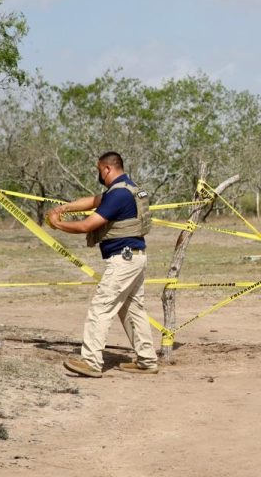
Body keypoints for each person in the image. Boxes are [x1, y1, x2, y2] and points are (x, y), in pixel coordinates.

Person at [46, 151, 159, 377]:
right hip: (135, 257)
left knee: (101, 307)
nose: (99, 174)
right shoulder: (128, 188)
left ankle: (91, 362)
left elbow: (87, 226)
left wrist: (57, 224)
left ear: (106, 168)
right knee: (133, 310)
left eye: (99, 170)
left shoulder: (118, 195)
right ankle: (147, 360)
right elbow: (94, 201)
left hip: (123, 260)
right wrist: (64, 208)